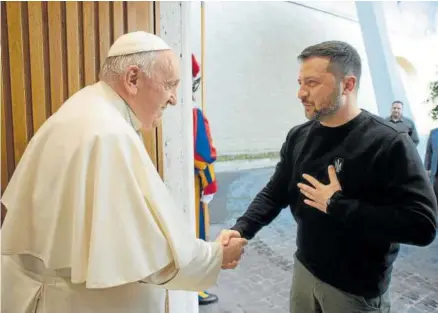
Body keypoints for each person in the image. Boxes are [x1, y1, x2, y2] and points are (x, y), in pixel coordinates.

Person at [0, 31, 247, 313]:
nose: (174, 100)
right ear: (132, 79)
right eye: (169, 85)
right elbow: (147, 255)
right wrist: (216, 256)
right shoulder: (108, 134)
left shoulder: (87, 107)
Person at [218, 41, 437, 313]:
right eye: (300, 82)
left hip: (355, 290)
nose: (300, 93)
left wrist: (337, 205)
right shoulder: (299, 136)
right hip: (305, 271)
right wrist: (241, 229)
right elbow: (275, 192)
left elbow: (423, 225)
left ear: (347, 85)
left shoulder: (388, 143)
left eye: (312, 82)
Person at [191, 54, 220, 305]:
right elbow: (204, 154)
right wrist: (210, 186)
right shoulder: (193, 114)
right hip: (193, 185)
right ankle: (197, 289)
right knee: (198, 234)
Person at [425, 127, 438, 199]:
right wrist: (426, 168)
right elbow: (428, 152)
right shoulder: (433, 133)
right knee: (435, 195)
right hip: (436, 171)